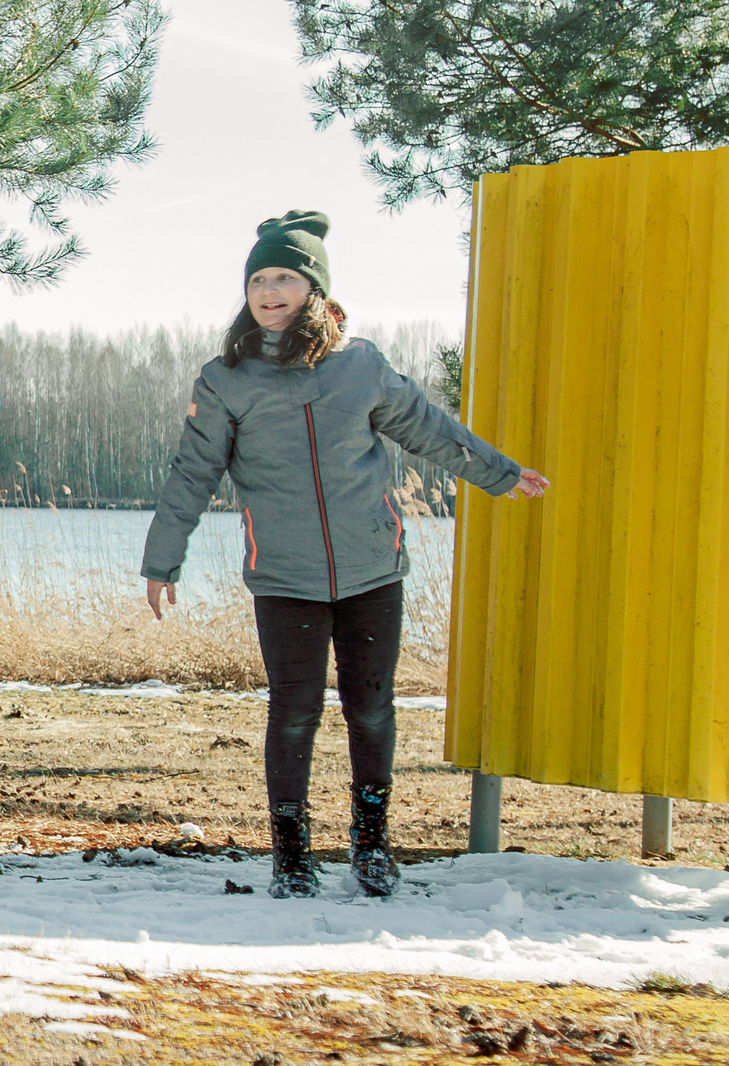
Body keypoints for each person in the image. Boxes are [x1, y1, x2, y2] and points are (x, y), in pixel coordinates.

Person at [140, 211, 548, 899]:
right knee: (294, 709)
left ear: (315, 289)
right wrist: (162, 558)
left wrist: (499, 473)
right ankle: (291, 852)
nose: (270, 291)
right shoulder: (227, 380)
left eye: (285, 278)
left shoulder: (361, 367)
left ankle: (370, 843)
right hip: (285, 576)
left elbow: (429, 429)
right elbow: (192, 472)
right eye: (259, 279)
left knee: (372, 707)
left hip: (371, 569)